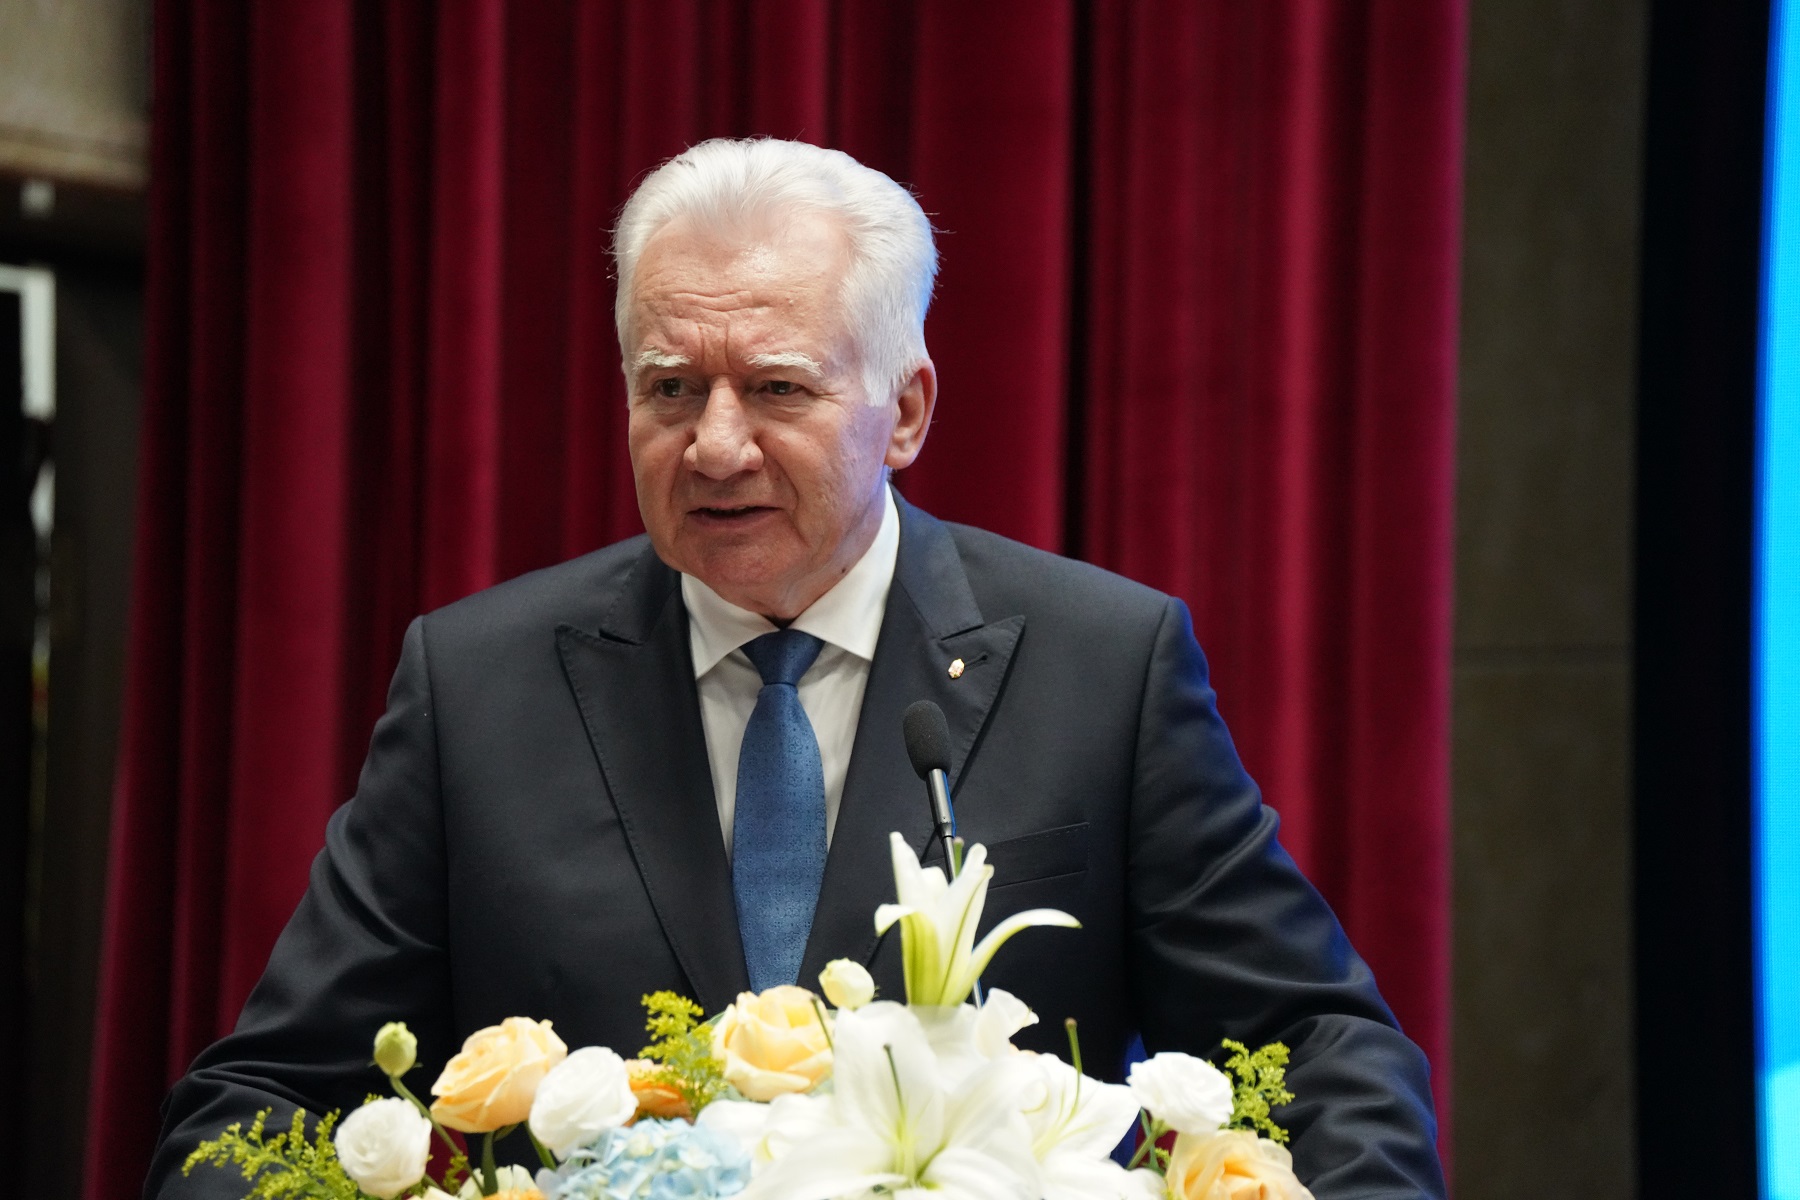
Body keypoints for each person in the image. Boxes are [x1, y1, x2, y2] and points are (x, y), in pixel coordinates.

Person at [146, 138, 1445, 1198]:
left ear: (907, 410)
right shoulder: (477, 688)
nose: (715, 447)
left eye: (775, 390)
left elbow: (1324, 1054)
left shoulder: (1103, 669)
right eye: (670, 390)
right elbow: (250, 1111)